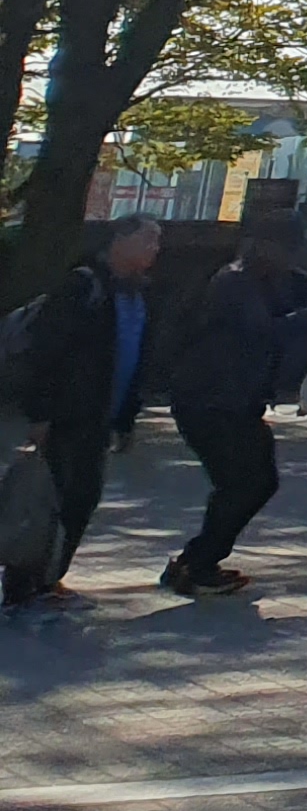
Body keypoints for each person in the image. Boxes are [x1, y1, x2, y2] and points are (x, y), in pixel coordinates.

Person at [159, 219, 307, 596]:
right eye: (288, 249)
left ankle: (196, 560)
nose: (293, 257)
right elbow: (264, 331)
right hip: (209, 400)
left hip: (235, 401)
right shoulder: (234, 282)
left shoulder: (274, 277)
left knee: (250, 482)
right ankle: (198, 564)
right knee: (244, 483)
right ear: (266, 246)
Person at [7, 212, 164, 610]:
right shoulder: (83, 285)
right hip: (67, 415)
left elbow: (135, 358)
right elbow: (45, 351)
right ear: (120, 241)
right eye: (147, 240)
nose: (155, 249)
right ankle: (23, 584)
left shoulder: (137, 294)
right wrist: (40, 414)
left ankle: (49, 578)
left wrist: (126, 419)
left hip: (99, 418)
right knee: (49, 500)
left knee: (82, 499)